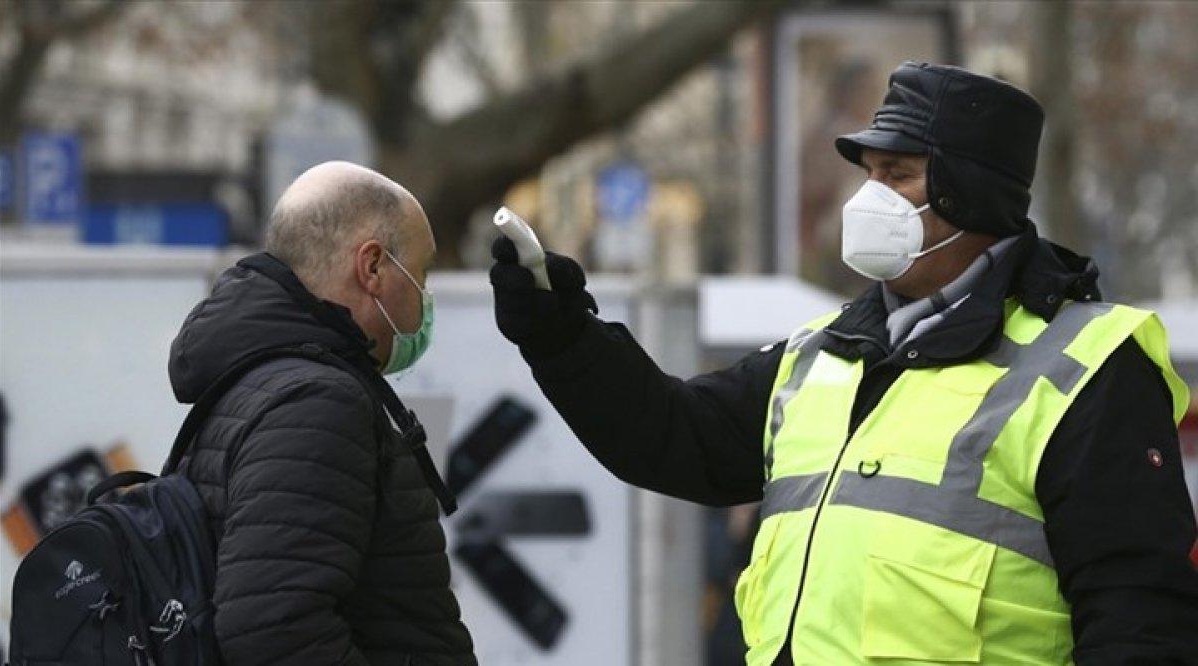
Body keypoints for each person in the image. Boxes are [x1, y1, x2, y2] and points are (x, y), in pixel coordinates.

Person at [490, 62, 1198, 664]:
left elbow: (1139, 617)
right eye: (869, 173)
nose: (869, 198)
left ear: (970, 191)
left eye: (899, 174)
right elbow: (676, 438)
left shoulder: (1085, 367)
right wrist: (561, 339)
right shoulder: (822, 352)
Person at [171, 161, 476, 665]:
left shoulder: (261, 380)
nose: (425, 298)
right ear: (373, 267)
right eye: (422, 274)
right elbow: (274, 626)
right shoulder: (318, 402)